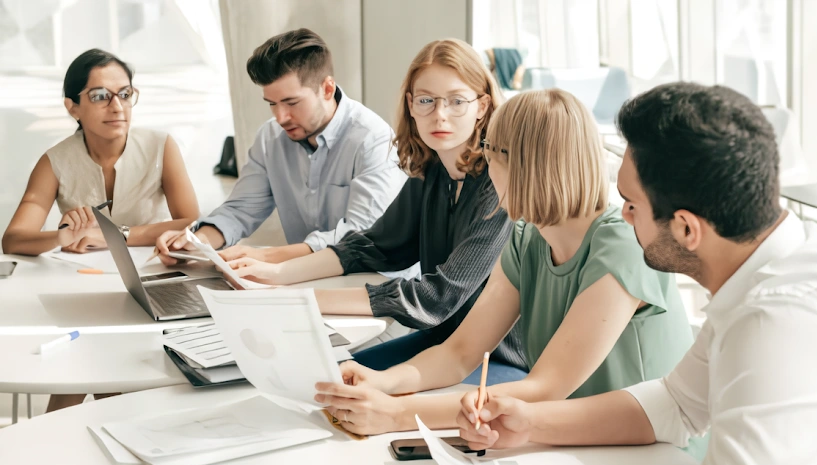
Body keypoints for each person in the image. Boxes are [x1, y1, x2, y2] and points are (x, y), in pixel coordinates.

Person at [435, 83, 817, 465]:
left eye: (631, 204)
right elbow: (677, 404)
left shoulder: (782, 328)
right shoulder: (793, 265)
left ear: (685, 228)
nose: (620, 213)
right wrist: (529, 423)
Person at [311, 88, 694, 436]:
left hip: (649, 451)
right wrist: (382, 382)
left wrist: (396, 414)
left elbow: (546, 387)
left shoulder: (620, 245)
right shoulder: (526, 237)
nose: (487, 172)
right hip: (573, 440)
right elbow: (460, 352)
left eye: (490, 157)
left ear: (525, 167)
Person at [224, 39, 528, 384]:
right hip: (442, 342)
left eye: (456, 101)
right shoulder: (432, 171)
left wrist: (296, 299)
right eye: (426, 100)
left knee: (334, 392)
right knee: (318, 378)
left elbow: (435, 298)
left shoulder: (500, 185)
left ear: (482, 106)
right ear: (411, 105)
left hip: (498, 359)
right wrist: (276, 275)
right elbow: (375, 246)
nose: (439, 114)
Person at [155, 28, 406, 264]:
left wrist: (267, 257)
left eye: (291, 102)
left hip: (373, 282)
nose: (280, 117)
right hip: (303, 278)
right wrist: (195, 243)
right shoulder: (270, 138)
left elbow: (362, 237)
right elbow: (240, 210)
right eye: (272, 103)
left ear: (327, 89)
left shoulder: (373, 139)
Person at [1, 49, 199, 257]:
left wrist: (116, 235)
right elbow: (13, 240)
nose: (117, 107)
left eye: (125, 95)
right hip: (81, 275)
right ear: (73, 108)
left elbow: (193, 224)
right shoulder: (54, 162)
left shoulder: (161, 146)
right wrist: (63, 237)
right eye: (100, 96)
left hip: (153, 267)